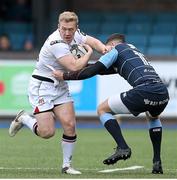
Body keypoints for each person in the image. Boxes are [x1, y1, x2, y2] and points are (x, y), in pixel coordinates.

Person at [52, 33, 169, 174]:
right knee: (153, 117)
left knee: (102, 109)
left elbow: (92, 72)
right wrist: (78, 64)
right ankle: (157, 162)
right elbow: (100, 70)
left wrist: (65, 76)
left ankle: (122, 147)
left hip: (144, 91)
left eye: (105, 48)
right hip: (162, 93)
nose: (104, 51)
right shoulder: (132, 49)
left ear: (112, 45)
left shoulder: (115, 50)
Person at [9, 11, 107, 175]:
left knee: (70, 125)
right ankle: (24, 118)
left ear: (76, 28)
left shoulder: (76, 35)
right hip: (42, 87)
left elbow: (92, 41)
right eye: (64, 29)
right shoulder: (56, 42)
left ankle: (66, 166)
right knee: (47, 132)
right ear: (58, 27)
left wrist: (104, 49)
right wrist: (89, 53)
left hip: (60, 85)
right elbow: (75, 67)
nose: (67, 33)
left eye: (71, 29)